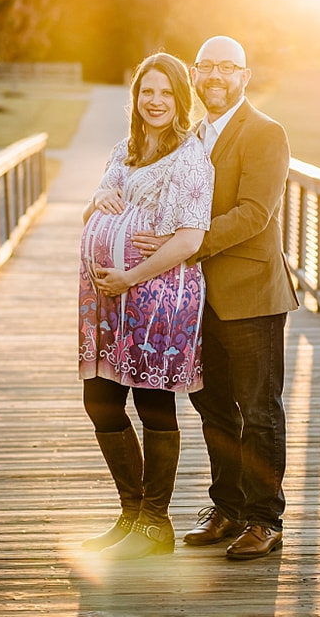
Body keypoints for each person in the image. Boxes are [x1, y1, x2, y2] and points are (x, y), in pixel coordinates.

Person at [135, 35, 299, 560]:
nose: (214, 77)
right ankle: (226, 508)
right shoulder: (194, 135)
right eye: (205, 67)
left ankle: (264, 519)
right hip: (196, 299)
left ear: (245, 77)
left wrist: (183, 246)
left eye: (226, 68)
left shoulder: (266, 133)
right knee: (214, 409)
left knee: (259, 410)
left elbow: (255, 213)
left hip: (250, 295)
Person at [78, 52, 214, 560]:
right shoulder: (125, 148)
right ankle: (131, 514)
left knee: (152, 402)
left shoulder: (190, 158)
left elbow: (189, 237)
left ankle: (155, 523)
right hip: (107, 300)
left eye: (165, 92)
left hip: (159, 296)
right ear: (136, 97)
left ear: (181, 98)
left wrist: (130, 277)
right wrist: (99, 196)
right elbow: (98, 202)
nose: (155, 101)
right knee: (101, 400)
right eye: (146, 91)